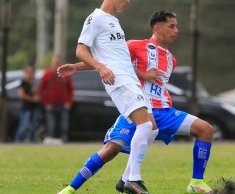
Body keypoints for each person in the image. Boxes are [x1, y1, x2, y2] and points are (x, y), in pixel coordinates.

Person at [57, 11, 214, 194]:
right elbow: (109, 61)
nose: (176, 31)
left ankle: (196, 181)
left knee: (205, 129)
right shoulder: (135, 45)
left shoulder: (171, 58)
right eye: (172, 26)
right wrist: (76, 67)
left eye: (176, 26)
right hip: (138, 109)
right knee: (110, 150)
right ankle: (70, 189)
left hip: (164, 111)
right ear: (157, 27)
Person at [57, 0, 157, 194]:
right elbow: (81, 49)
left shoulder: (115, 22)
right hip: (118, 80)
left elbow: (109, 58)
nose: (128, 1)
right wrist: (100, 68)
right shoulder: (97, 18)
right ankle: (132, 179)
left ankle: (127, 179)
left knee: (152, 128)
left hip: (129, 79)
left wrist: (78, 67)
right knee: (145, 125)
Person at [38, 55, 74, 142]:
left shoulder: (65, 74)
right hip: (50, 105)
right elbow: (41, 90)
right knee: (51, 125)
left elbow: (71, 89)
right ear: (52, 63)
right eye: (55, 62)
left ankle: (64, 141)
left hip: (63, 104)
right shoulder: (47, 74)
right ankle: (51, 142)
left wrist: (69, 102)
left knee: (64, 125)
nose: (56, 64)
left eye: (58, 63)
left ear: (61, 64)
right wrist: (46, 103)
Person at [14, 64, 40, 143]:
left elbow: (37, 95)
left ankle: (31, 142)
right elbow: (21, 95)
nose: (31, 73)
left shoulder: (34, 83)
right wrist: (32, 99)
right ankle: (18, 142)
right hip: (26, 108)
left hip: (34, 108)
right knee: (23, 127)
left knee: (33, 127)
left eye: (32, 72)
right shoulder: (23, 83)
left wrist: (36, 94)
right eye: (29, 72)